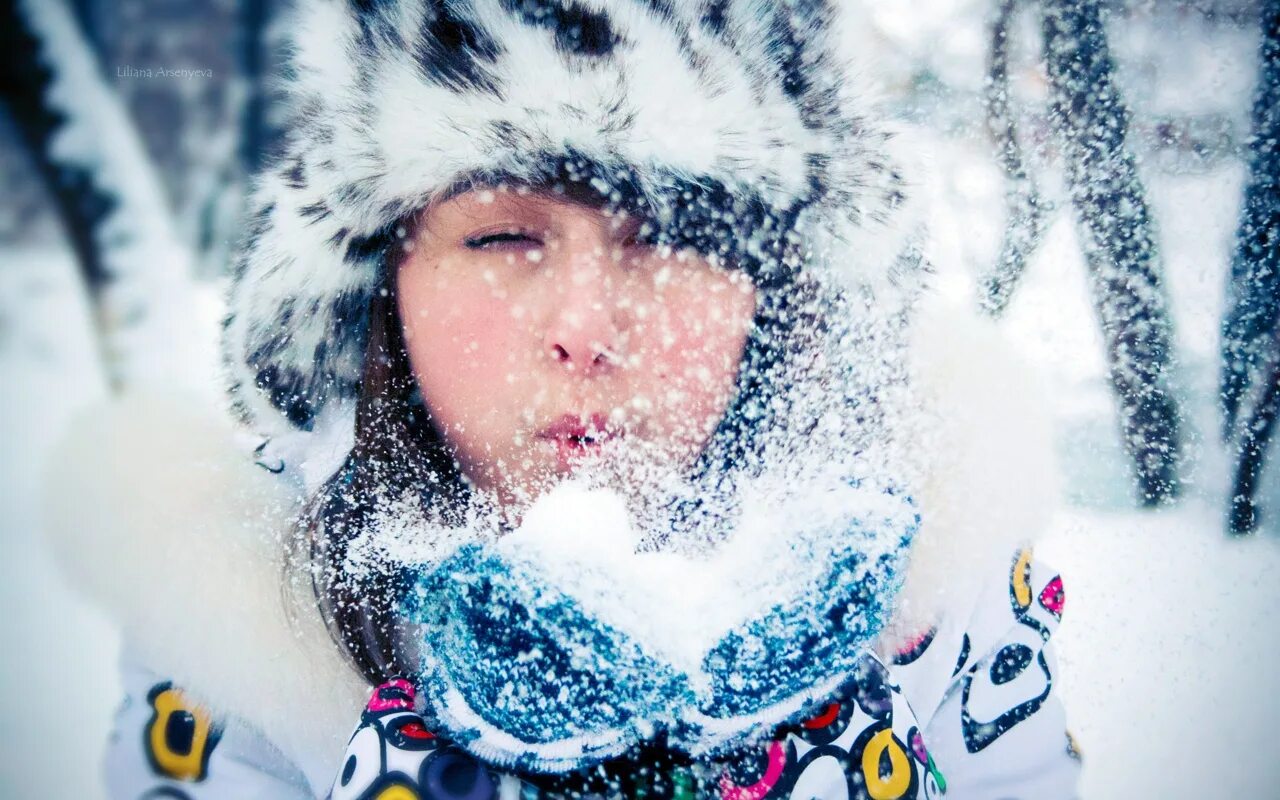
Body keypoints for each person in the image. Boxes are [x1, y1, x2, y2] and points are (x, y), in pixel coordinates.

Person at [44, 1, 1082, 798]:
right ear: (381, 289)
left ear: (775, 284)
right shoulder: (237, 607)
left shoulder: (938, 573)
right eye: (500, 236)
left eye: (668, 233)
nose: (584, 328)